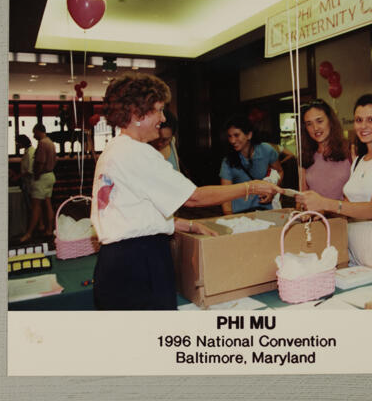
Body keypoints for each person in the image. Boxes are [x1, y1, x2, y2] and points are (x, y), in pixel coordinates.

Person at [90, 73, 282, 310]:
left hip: (119, 262)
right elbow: (194, 197)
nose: (162, 119)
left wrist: (188, 225)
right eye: (159, 110)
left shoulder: (116, 149)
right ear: (136, 113)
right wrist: (250, 187)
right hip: (138, 263)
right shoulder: (137, 153)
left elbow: (136, 213)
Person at [296, 95, 372, 279]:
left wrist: (325, 203)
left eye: (371, 120)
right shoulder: (359, 160)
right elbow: (348, 207)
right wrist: (318, 211)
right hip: (355, 245)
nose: (363, 126)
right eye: (359, 120)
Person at [219, 115, 284, 214]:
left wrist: (273, 191)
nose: (232, 140)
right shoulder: (228, 161)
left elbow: (279, 171)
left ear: (249, 135)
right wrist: (229, 218)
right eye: (229, 136)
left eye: (236, 135)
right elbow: (225, 194)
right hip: (240, 213)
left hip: (265, 210)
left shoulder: (266, 150)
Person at [300, 99, 352, 199]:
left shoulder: (350, 151)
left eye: (319, 121)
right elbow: (302, 196)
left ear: (330, 121)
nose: (315, 128)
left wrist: (327, 211)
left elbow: (358, 197)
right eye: (309, 124)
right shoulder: (305, 156)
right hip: (314, 214)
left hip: (342, 214)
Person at [19, 124, 57, 243]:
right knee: (48, 203)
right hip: (50, 175)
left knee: (36, 206)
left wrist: (36, 176)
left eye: (34, 132)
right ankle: (49, 230)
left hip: (42, 176)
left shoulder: (42, 143)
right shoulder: (50, 142)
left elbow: (40, 163)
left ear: (40, 131)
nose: (34, 136)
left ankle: (29, 233)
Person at [148, 108, 181, 172]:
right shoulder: (144, 150)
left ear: (172, 137)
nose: (159, 143)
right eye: (156, 138)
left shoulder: (172, 143)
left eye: (165, 140)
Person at [16, 134, 35, 204]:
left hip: (31, 182)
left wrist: (18, 176)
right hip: (27, 182)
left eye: (18, 143)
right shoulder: (27, 151)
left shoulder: (30, 153)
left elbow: (30, 171)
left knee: (32, 203)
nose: (17, 145)